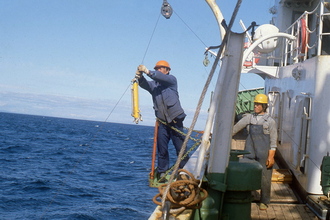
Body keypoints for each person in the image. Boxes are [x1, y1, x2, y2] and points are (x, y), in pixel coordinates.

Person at [136, 60, 189, 181]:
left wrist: (148, 71)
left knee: (180, 148)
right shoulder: (154, 86)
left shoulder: (172, 81)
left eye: (161, 68)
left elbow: (158, 76)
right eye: (157, 68)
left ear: (168, 70)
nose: (159, 70)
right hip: (163, 123)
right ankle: (162, 172)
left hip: (176, 121)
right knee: (162, 149)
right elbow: (144, 84)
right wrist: (140, 77)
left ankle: (184, 171)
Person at [232, 94, 277, 210]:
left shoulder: (270, 122)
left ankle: (264, 201)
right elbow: (235, 129)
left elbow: (273, 142)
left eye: (258, 104)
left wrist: (271, 157)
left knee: (265, 178)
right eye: (255, 104)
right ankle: (249, 195)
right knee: (247, 173)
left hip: (264, 153)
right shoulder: (249, 118)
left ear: (264, 106)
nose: (255, 106)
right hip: (249, 151)